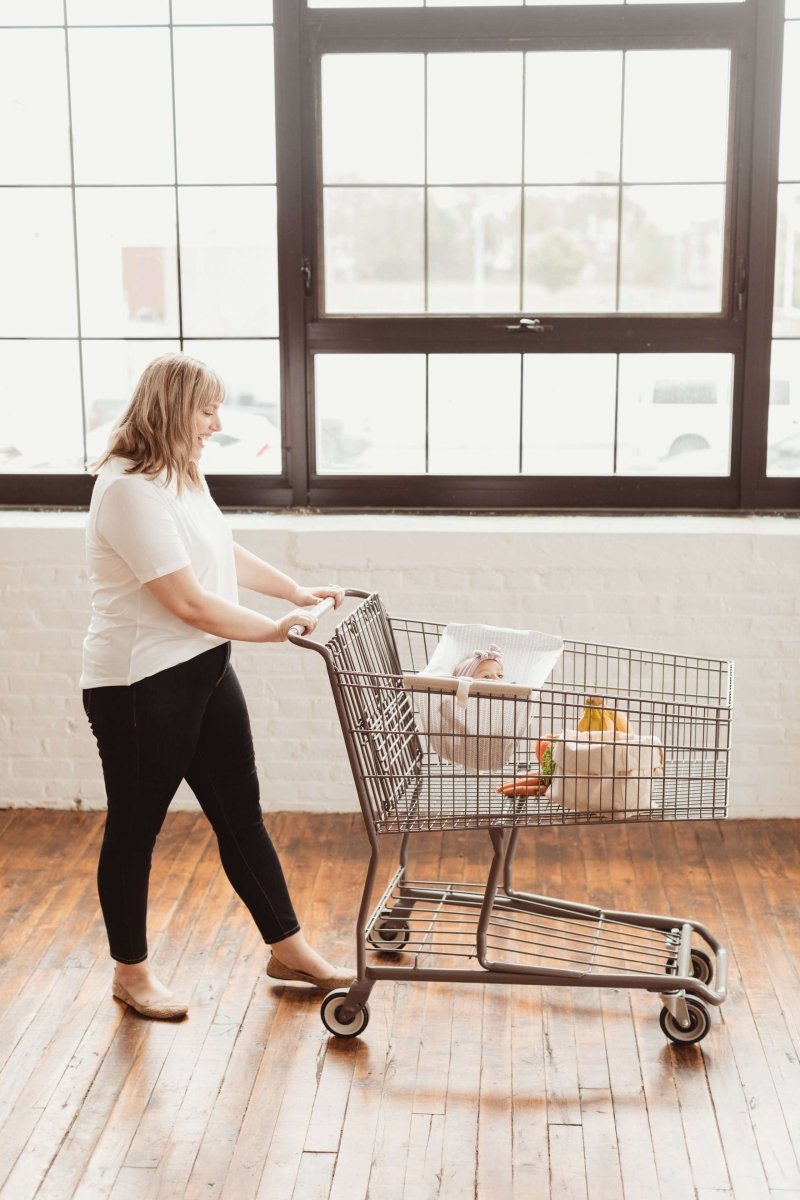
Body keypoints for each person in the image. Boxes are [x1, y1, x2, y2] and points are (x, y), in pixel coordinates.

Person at [81, 353, 352, 1020]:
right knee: (136, 830)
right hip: (140, 685)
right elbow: (188, 601)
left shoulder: (180, 474)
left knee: (240, 813)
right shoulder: (126, 491)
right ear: (174, 409)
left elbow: (217, 550)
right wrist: (275, 629)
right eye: (207, 410)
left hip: (203, 667)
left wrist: (293, 589)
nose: (217, 424)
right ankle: (131, 974)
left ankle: (288, 948)